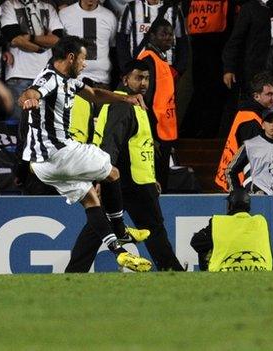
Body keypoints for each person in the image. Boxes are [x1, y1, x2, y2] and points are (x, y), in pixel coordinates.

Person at [18, 36, 152, 272]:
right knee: (112, 171)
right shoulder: (49, 78)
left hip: (43, 167)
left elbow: (95, 94)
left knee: (91, 199)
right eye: (82, 59)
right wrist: (29, 101)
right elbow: (32, 92)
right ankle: (120, 230)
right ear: (70, 58)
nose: (85, 64)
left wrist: (126, 98)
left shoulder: (70, 81)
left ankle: (120, 254)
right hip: (58, 153)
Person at [65, 60, 185, 272]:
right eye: (138, 77)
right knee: (154, 229)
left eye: (147, 78)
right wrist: (104, 176)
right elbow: (111, 142)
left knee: (97, 229)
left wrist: (152, 176)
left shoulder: (132, 104)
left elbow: (141, 145)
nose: (144, 83)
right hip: (130, 183)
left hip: (132, 180)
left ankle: (74, 272)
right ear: (125, 79)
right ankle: (172, 270)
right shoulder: (123, 104)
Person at [1, 0, 64, 124]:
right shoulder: (9, 5)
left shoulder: (48, 7)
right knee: (18, 125)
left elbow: (57, 39)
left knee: (46, 124)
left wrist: (30, 38)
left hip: (45, 77)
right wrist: (41, 48)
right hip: (18, 75)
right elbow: (15, 39)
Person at [215, 72, 273, 192]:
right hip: (238, 183)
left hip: (231, 179)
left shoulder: (248, 114)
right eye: (269, 94)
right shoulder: (250, 121)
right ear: (256, 96)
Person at [137, 18, 178, 193]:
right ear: (152, 35)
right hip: (154, 130)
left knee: (163, 180)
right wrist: (150, 133)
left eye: (170, 34)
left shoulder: (160, 59)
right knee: (155, 181)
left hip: (165, 128)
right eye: (164, 34)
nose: (169, 38)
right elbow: (144, 98)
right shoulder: (148, 59)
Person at [190, 188, 273, 272]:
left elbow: (196, 243)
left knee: (206, 247)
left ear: (230, 206)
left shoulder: (220, 223)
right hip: (260, 270)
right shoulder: (260, 222)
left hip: (223, 272)